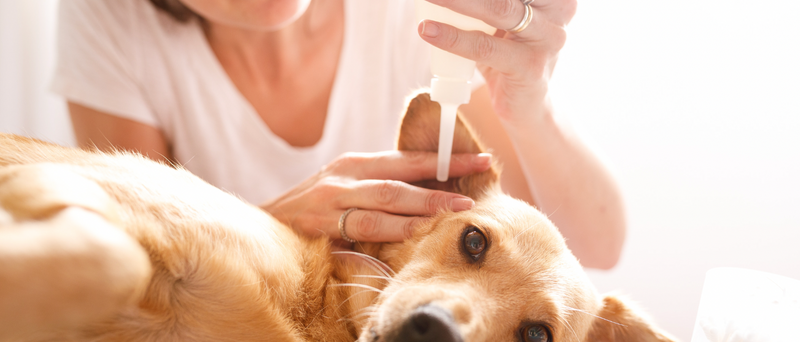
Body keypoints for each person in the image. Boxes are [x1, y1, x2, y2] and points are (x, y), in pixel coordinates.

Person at [52, 0, 625, 269]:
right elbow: (136, 273)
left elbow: (598, 246)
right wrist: (273, 228)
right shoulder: (110, 16)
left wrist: (530, 110)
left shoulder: (422, 13)